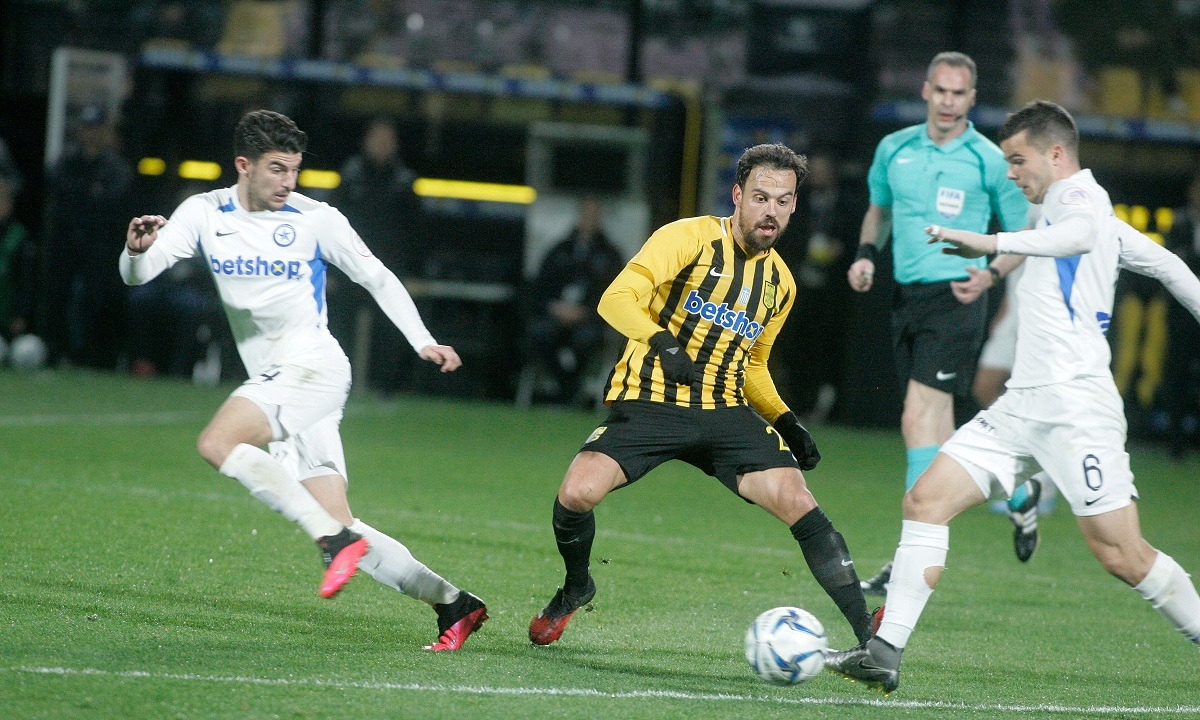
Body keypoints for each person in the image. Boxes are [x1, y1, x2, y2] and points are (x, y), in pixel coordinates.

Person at [826, 100, 1200, 694]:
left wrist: (989, 241)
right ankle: (884, 651)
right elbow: (1169, 267)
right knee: (926, 500)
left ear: (1056, 154)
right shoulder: (1072, 211)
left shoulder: (1081, 201)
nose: (1011, 172)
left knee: (1122, 555)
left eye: (1018, 160)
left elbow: (1079, 233)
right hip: (1023, 406)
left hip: (1076, 410)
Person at [119, 110, 487, 652]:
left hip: (313, 369)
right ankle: (455, 604)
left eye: (294, 169)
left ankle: (330, 541)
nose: (288, 181)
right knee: (343, 520)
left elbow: (377, 276)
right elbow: (139, 276)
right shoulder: (203, 212)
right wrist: (135, 250)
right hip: (280, 385)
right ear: (243, 165)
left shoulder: (316, 219)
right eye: (277, 169)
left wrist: (421, 339)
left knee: (217, 442)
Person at [527, 143, 879, 649]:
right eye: (760, 198)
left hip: (724, 412)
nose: (771, 211)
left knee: (798, 501)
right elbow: (615, 298)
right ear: (737, 196)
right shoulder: (687, 238)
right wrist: (663, 342)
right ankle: (577, 586)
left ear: (794, 206)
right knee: (577, 494)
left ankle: (869, 639)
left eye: (782, 201)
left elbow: (753, 364)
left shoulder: (780, 282)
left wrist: (785, 419)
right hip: (651, 400)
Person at [847, 51, 1040, 595]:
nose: (949, 102)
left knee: (917, 419)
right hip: (907, 298)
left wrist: (990, 275)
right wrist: (865, 254)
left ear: (972, 99)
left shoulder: (988, 159)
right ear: (926, 91)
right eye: (941, 91)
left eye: (959, 93)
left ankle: (908, 561)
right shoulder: (895, 148)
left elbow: (1023, 233)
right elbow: (879, 210)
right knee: (941, 432)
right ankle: (1018, 493)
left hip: (958, 297)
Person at [327, 117, 426, 395]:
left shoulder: (404, 182)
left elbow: (417, 233)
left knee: (390, 330)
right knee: (339, 328)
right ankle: (335, 384)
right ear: (366, 142)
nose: (381, 145)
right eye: (377, 139)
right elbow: (330, 224)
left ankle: (386, 388)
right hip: (348, 268)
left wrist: (414, 273)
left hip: (388, 271)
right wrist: (328, 270)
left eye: (387, 140)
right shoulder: (350, 177)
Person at [45, 103, 134, 369]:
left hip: (100, 246)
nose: (91, 134)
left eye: (96, 128)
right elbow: (59, 192)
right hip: (67, 242)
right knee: (59, 296)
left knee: (97, 300)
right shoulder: (66, 163)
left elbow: (112, 203)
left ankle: (94, 357)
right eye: (87, 128)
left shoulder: (116, 168)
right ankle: (57, 352)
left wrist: (85, 199)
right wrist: (89, 196)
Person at [520, 195, 623, 405]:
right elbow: (540, 288)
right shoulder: (560, 250)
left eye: (594, 215)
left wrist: (586, 311)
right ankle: (565, 388)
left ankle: (571, 391)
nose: (589, 220)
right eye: (586, 214)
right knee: (541, 335)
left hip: (591, 321)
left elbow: (616, 292)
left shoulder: (610, 255)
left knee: (585, 341)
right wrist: (554, 307)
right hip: (555, 317)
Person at [1160, 172, 1200, 459]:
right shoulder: (1179, 220)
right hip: (1182, 314)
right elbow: (1169, 259)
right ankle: (1176, 443)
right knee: (1177, 375)